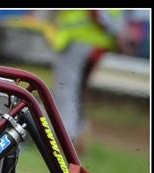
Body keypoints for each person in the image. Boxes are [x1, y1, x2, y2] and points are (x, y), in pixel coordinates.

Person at [49, 10, 128, 146]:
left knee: (66, 90)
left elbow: (99, 15)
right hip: (97, 41)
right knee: (77, 92)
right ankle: (79, 134)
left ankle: (65, 139)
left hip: (78, 39)